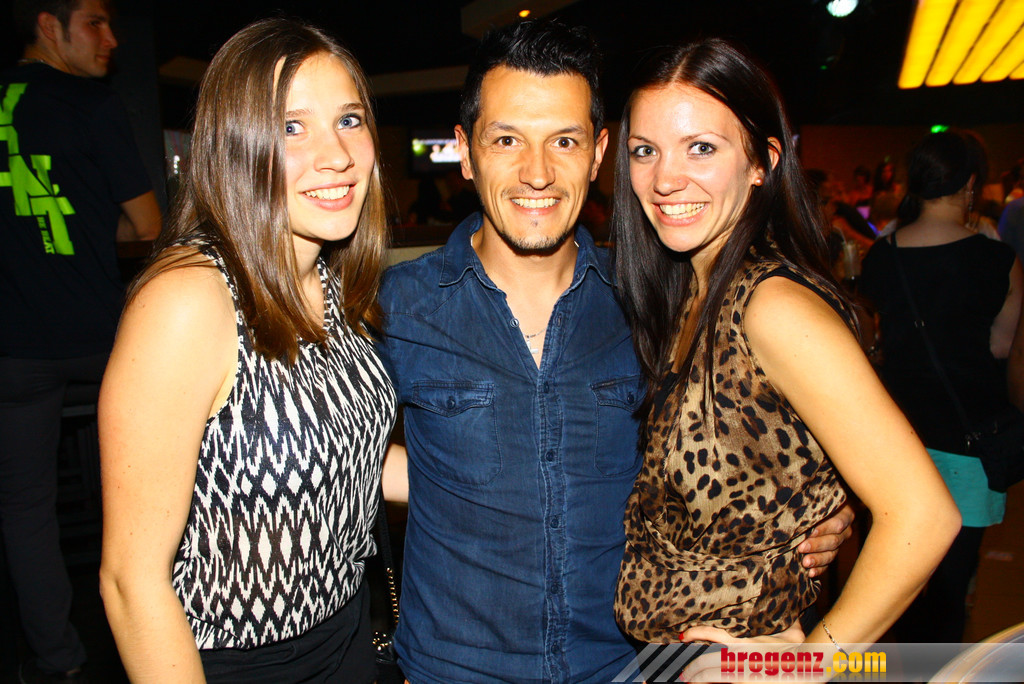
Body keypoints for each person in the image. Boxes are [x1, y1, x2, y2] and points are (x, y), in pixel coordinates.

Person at [378, 21, 853, 683]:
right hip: (453, 669)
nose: (537, 172)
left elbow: (745, 445)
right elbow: (327, 448)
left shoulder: (656, 300)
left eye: (564, 141)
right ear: (465, 152)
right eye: (507, 140)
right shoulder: (396, 305)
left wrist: (818, 509)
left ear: (600, 153)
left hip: (628, 666)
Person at [610, 39, 959, 655]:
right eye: (645, 150)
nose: (665, 178)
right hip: (677, 656)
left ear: (762, 162)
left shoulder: (770, 306)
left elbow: (925, 515)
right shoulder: (690, 290)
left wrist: (808, 664)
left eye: (701, 147)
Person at [98, 18, 399, 682]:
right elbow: (130, 580)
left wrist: (510, 476)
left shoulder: (329, 278)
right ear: (235, 147)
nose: (337, 155)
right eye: (291, 127)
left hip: (348, 635)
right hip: (233, 662)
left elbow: (348, 459)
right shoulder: (188, 302)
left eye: (349, 120)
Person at [1, 1, 160, 681]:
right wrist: (93, 233)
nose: (111, 38)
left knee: (25, 511)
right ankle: (165, 629)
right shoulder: (90, 104)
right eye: (94, 22)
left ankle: (57, 660)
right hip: (103, 343)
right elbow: (147, 225)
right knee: (155, 479)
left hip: (14, 351)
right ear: (49, 24)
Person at [861, 130, 1023, 642]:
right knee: (951, 591)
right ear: (970, 184)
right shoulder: (998, 261)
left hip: (894, 438)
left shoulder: (881, 255)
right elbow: (1003, 347)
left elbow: (874, 337)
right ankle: (935, 670)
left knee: (888, 585)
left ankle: (886, 670)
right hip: (968, 439)